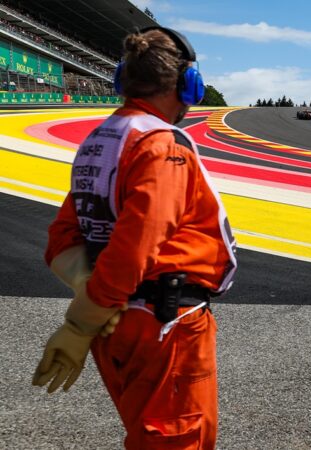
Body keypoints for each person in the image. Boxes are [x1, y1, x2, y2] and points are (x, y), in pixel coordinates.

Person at [32, 27, 237, 448]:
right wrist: (79, 322)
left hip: (116, 319)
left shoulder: (101, 140)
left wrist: (90, 297)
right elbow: (138, 244)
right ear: (188, 85)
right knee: (177, 439)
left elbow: (62, 237)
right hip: (165, 323)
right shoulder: (163, 145)